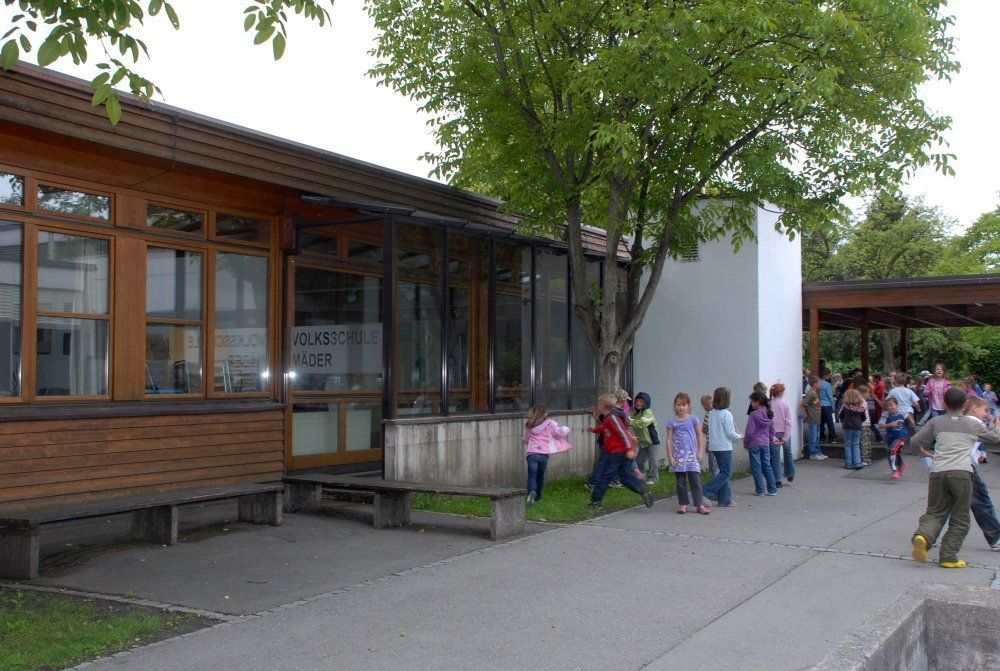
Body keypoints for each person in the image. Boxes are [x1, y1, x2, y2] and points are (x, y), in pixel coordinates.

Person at [911, 387, 1000, 568]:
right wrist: (996, 425)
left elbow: (915, 441)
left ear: (944, 403)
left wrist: (921, 453)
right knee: (960, 518)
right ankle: (948, 556)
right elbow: (995, 438)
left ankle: (923, 537)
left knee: (935, 511)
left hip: (938, 472)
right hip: (961, 472)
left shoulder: (936, 422)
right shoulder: (972, 424)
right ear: (966, 404)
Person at [586, 393, 653, 510]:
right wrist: (595, 430)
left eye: (599, 404)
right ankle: (643, 489)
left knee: (604, 476)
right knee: (624, 477)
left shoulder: (612, 418)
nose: (598, 406)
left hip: (618, 453)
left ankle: (596, 502)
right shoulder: (608, 418)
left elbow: (623, 433)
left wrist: (630, 449)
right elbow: (606, 429)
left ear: (604, 406)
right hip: (619, 453)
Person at [965, 397, 1000, 551]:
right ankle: (996, 538)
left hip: (945, 466)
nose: (986, 414)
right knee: (982, 502)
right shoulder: (975, 422)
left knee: (944, 504)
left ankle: (926, 535)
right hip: (967, 467)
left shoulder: (959, 421)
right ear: (974, 408)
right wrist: (997, 425)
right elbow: (995, 437)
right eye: (984, 410)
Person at [666, 392, 709, 515]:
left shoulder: (693, 419)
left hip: (692, 456)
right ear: (674, 406)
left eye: (683, 405)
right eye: (678, 405)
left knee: (695, 480)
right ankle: (683, 504)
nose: (681, 407)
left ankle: (699, 504)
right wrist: (670, 456)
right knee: (680, 481)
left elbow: (700, 435)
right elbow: (669, 440)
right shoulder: (672, 422)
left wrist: (700, 451)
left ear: (689, 405)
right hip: (678, 457)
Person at [522, 404, 573, 505]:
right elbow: (559, 433)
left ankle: (531, 493)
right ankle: (538, 497)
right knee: (540, 476)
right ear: (544, 413)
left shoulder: (529, 424)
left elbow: (525, 439)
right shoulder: (550, 423)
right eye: (546, 411)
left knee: (532, 476)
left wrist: (532, 444)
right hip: (544, 455)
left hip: (532, 454)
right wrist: (567, 428)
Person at [703, 387, 742, 507]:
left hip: (714, 446)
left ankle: (725, 500)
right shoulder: (727, 414)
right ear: (726, 399)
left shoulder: (711, 413)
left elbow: (709, 430)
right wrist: (740, 436)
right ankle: (705, 491)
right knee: (726, 473)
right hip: (724, 447)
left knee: (723, 472)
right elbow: (730, 433)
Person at [745, 391, 778, 496]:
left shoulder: (753, 414)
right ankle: (772, 490)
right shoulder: (769, 413)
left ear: (758, 402)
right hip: (765, 443)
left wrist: (746, 443)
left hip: (754, 443)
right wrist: (769, 440)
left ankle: (760, 490)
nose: (751, 403)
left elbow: (750, 432)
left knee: (756, 468)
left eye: (752, 401)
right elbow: (772, 430)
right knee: (767, 466)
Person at [630, 392, 662, 484]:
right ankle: (640, 477)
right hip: (643, 442)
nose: (638, 403)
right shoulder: (636, 413)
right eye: (637, 401)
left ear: (646, 402)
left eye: (641, 401)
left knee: (653, 461)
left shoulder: (648, 412)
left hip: (653, 442)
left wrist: (629, 421)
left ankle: (653, 479)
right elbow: (633, 421)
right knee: (639, 461)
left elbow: (642, 423)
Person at [770, 383, 795, 484]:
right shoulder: (785, 404)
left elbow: (768, 422)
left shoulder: (769, 404)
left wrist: (772, 437)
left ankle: (777, 480)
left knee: (775, 456)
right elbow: (789, 422)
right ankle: (790, 474)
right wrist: (785, 437)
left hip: (773, 433)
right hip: (785, 432)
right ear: (781, 392)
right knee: (788, 452)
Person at [878, 397, 908, 479]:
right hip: (890, 437)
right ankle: (901, 464)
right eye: (887, 406)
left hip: (901, 437)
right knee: (895, 452)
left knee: (891, 451)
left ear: (897, 405)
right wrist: (890, 424)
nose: (889, 407)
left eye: (891, 405)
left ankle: (895, 471)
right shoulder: (886, 415)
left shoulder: (903, 413)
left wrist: (911, 422)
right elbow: (880, 426)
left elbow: (909, 420)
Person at [840, 388, 866, 470]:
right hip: (857, 427)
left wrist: (844, 421)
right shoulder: (861, 407)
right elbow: (864, 418)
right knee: (856, 444)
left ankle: (849, 464)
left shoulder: (845, 406)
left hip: (847, 426)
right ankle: (857, 463)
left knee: (848, 444)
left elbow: (841, 416)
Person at [801, 376, 826, 460]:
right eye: (819, 383)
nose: (821, 384)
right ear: (815, 384)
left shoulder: (815, 393)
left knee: (816, 436)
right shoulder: (811, 393)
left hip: (817, 418)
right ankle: (813, 453)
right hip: (812, 418)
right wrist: (805, 414)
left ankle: (817, 452)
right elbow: (803, 404)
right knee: (813, 436)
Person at [700, 394, 719, 476]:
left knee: (713, 467)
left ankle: (715, 482)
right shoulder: (721, 413)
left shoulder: (708, 414)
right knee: (720, 466)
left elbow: (704, 430)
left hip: (712, 444)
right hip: (722, 445)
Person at [819, 372, 837, 443]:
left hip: (819, 405)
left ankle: (821, 437)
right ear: (825, 375)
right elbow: (830, 396)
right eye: (829, 375)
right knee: (830, 422)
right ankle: (832, 438)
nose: (829, 377)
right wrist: (833, 407)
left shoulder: (816, 383)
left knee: (821, 422)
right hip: (827, 405)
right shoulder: (827, 384)